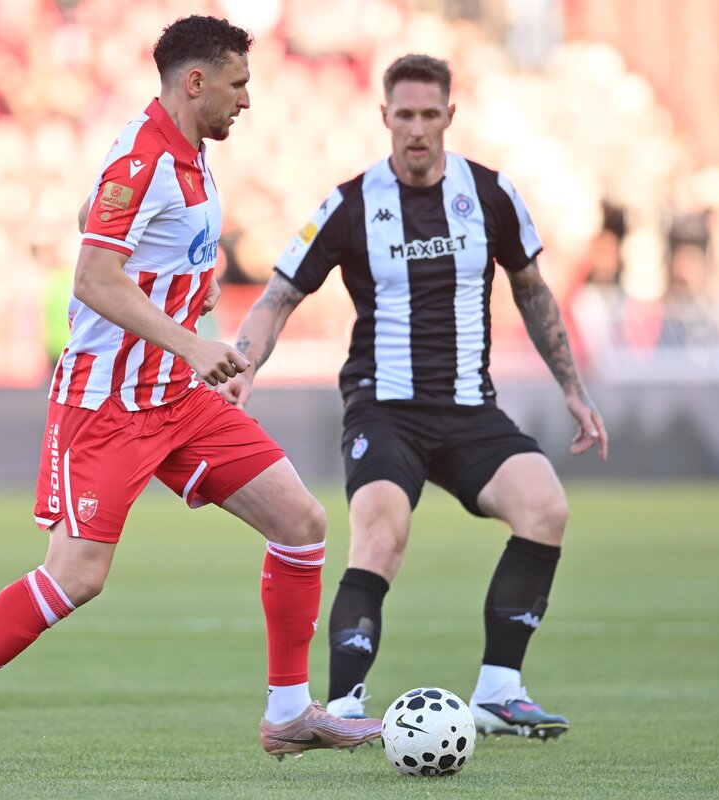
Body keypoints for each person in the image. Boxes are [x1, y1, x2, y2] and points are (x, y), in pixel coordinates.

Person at [0, 16, 381, 782]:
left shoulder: (189, 156)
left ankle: (288, 712)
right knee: (77, 576)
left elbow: (109, 230)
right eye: (238, 84)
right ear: (196, 82)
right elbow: (91, 275)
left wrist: (195, 315)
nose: (247, 101)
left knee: (301, 521)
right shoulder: (146, 155)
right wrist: (190, 341)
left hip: (176, 397)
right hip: (106, 403)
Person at [219, 54, 608, 740]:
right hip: (383, 406)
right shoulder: (348, 204)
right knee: (381, 535)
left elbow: (532, 290)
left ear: (450, 116)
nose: (418, 129)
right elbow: (279, 295)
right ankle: (342, 708)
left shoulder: (490, 193)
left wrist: (572, 390)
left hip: (467, 408)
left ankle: (498, 690)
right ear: (384, 118)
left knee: (545, 505)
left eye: (431, 115)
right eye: (406, 115)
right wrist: (244, 364)